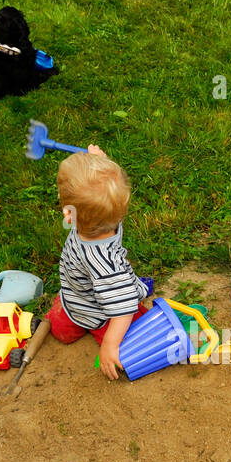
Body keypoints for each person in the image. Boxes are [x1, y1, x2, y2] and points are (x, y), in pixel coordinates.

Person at [46, 145, 152, 380]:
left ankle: (71, 323)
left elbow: (123, 309)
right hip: (92, 307)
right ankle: (97, 331)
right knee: (139, 326)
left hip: (87, 305)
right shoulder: (107, 230)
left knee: (63, 331)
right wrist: (110, 345)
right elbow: (122, 309)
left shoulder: (82, 224)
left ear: (68, 214)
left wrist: (111, 346)